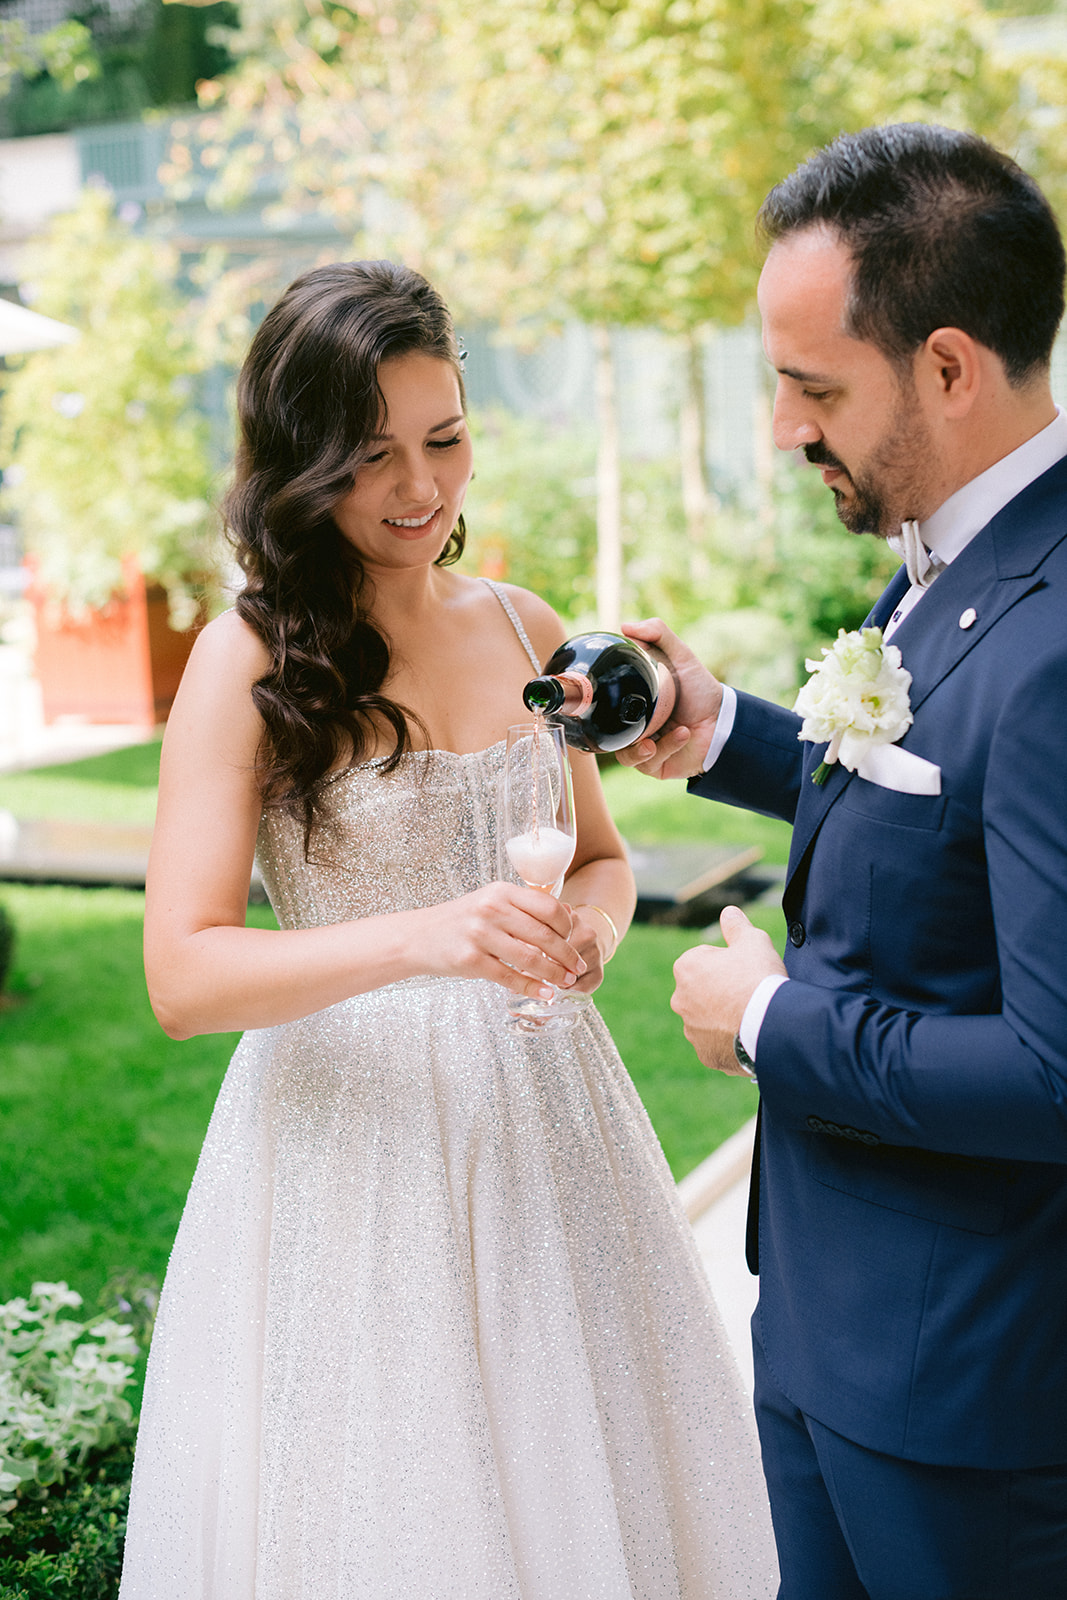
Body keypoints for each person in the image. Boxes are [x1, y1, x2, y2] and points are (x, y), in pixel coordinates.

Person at [118, 260, 777, 1599]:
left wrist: (586, 931)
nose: (423, 490)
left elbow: (598, 857)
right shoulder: (249, 662)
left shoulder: (525, 626)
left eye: (446, 439)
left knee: (585, 1486)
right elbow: (184, 974)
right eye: (373, 457)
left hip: (554, 1127)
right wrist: (432, 939)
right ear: (302, 462)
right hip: (350, 1157)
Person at [619, 123, 1067, 1599]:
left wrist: (769, 1027)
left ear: (948, 368)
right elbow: (939, 803)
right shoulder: (956, 550)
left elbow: (1055, 1074)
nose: (783, 429)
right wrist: (723, 730)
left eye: (813, 389)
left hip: (967, 1404)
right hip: (826, 1332)